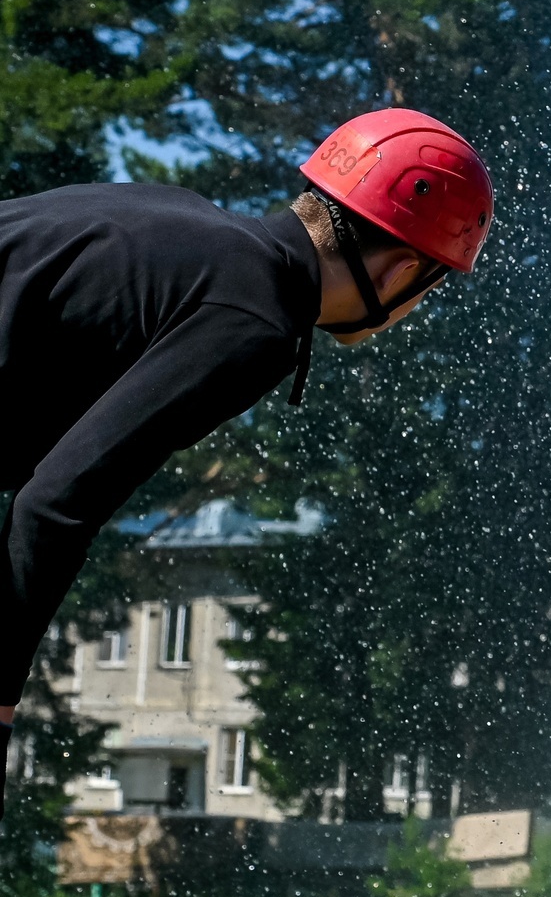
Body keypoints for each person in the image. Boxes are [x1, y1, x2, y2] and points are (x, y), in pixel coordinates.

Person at [0, 109, 492, 810]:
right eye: (430, 290)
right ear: (401, 269)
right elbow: (52, 507)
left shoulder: (187, 225)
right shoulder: (254, 320)